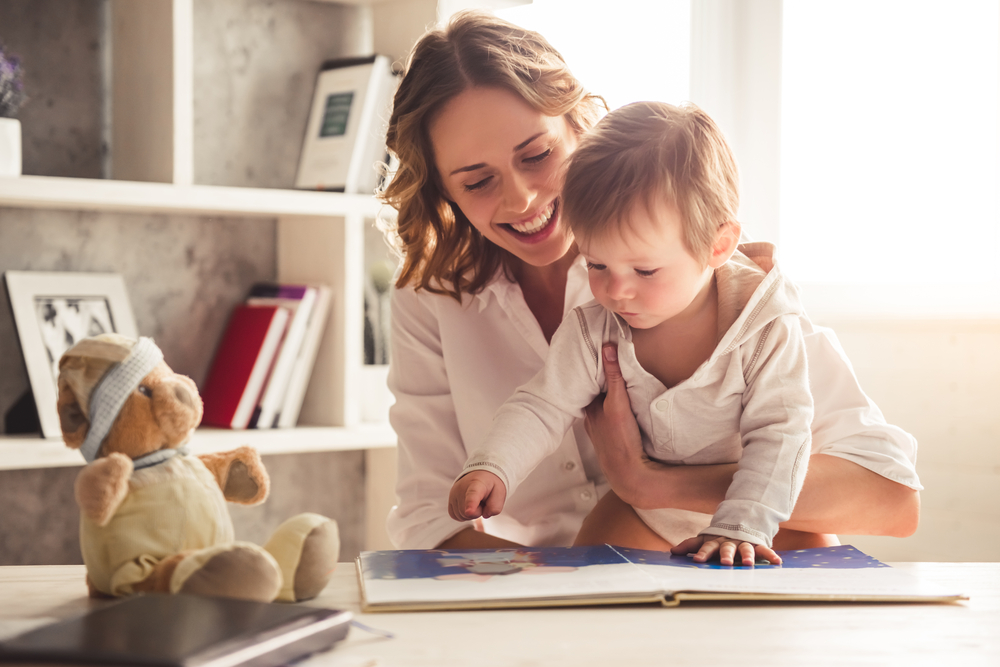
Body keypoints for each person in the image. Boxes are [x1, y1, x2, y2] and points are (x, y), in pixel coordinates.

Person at [379, 10, 921, 554]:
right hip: (573, 573)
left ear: (578, 126)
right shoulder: (431, 297)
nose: (521, 199)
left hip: (749, 550)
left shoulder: (706, 270)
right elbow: (431, 515)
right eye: (477, 182)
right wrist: (552, 582)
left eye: (538, 155)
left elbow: (890, 498)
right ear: (443, 191)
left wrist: (652, 484)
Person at [450, 101, 813, 567]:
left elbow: (781, 434)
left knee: (815, 586)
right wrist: (492, 465)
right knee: (591, 580)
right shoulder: (594, 327)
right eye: (596, 264)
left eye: (645, 269)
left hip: (760, 515)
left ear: (717, 245)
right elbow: (543, 404)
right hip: (646, 513)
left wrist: (741, 524)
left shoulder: (766, 327)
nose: (616, 290)